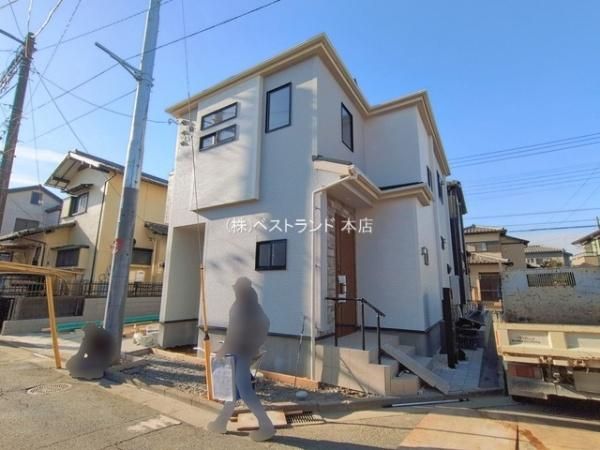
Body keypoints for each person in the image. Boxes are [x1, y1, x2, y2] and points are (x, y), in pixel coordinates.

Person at [206, 277, 275, 442]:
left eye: (236, 288)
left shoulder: (241, 305)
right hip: (246, 352)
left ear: (240, 289)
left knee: (245, 391)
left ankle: (266, 426)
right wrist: (255, 345)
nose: (235, 290)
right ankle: (221, 423)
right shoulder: (254, 305)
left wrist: (223, 350)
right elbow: (265, 323)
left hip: (240, 353)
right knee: (234, 390)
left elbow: (233, 333)